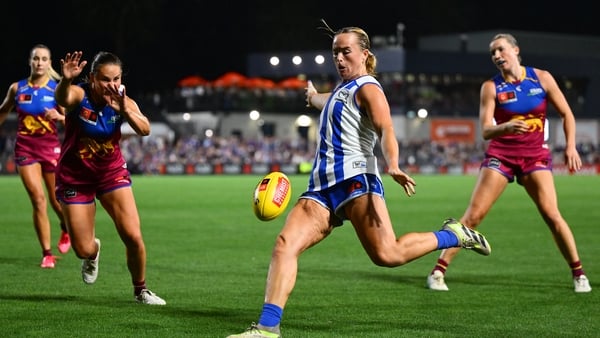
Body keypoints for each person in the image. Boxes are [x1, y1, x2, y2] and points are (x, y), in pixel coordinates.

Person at [227, 22, 491, 338]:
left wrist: (392, 163)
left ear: (364, 54)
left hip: (356, 180)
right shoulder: (342, 90)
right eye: (335, 52)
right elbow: (327, 101)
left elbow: (387, 130)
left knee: (387, 255)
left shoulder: (369, 88)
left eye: (345, 51)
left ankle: (453, 235)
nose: (338, 58)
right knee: (284, 245)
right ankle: (268, 328)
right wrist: (312, 97)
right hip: (321, 188)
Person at [425, 33, 591, 293]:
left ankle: (579, 273)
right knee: (474, 216)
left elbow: (567, 114)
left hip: (535, 156)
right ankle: (438, 271)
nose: (496, 56)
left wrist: (570, 147)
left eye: (500, 49)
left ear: (515, 50)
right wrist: (506, 127)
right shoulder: (491, 87)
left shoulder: (542, 78)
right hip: (501, 156)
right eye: (492, 53)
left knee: (552, 214)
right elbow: (485, 131)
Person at [54, 50, 166, 305]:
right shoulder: (79, 95)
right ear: (92, 77)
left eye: (116, 78)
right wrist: (65, 80)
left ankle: (141, 291)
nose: (112, 85)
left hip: (110, 174)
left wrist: (125, 109)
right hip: (75, 178)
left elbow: (145, 129)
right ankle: (93, 252)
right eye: (105, 79)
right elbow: (62, 97)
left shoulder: (123, 100)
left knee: (133, 236)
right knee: (82, 249)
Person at [0, 44, 71, 269]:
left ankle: (65, 227)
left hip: (50, 149)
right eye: (36, 58)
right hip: (25, 149)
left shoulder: (57, 90)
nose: (39, 62)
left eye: (44, 59)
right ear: (30, 61)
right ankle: (47, 254)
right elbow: (3, 110)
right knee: (38, 199)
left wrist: (60, 117)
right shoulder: (17, 89)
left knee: (55, 200)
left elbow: (73, 122)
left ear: (49, 63)